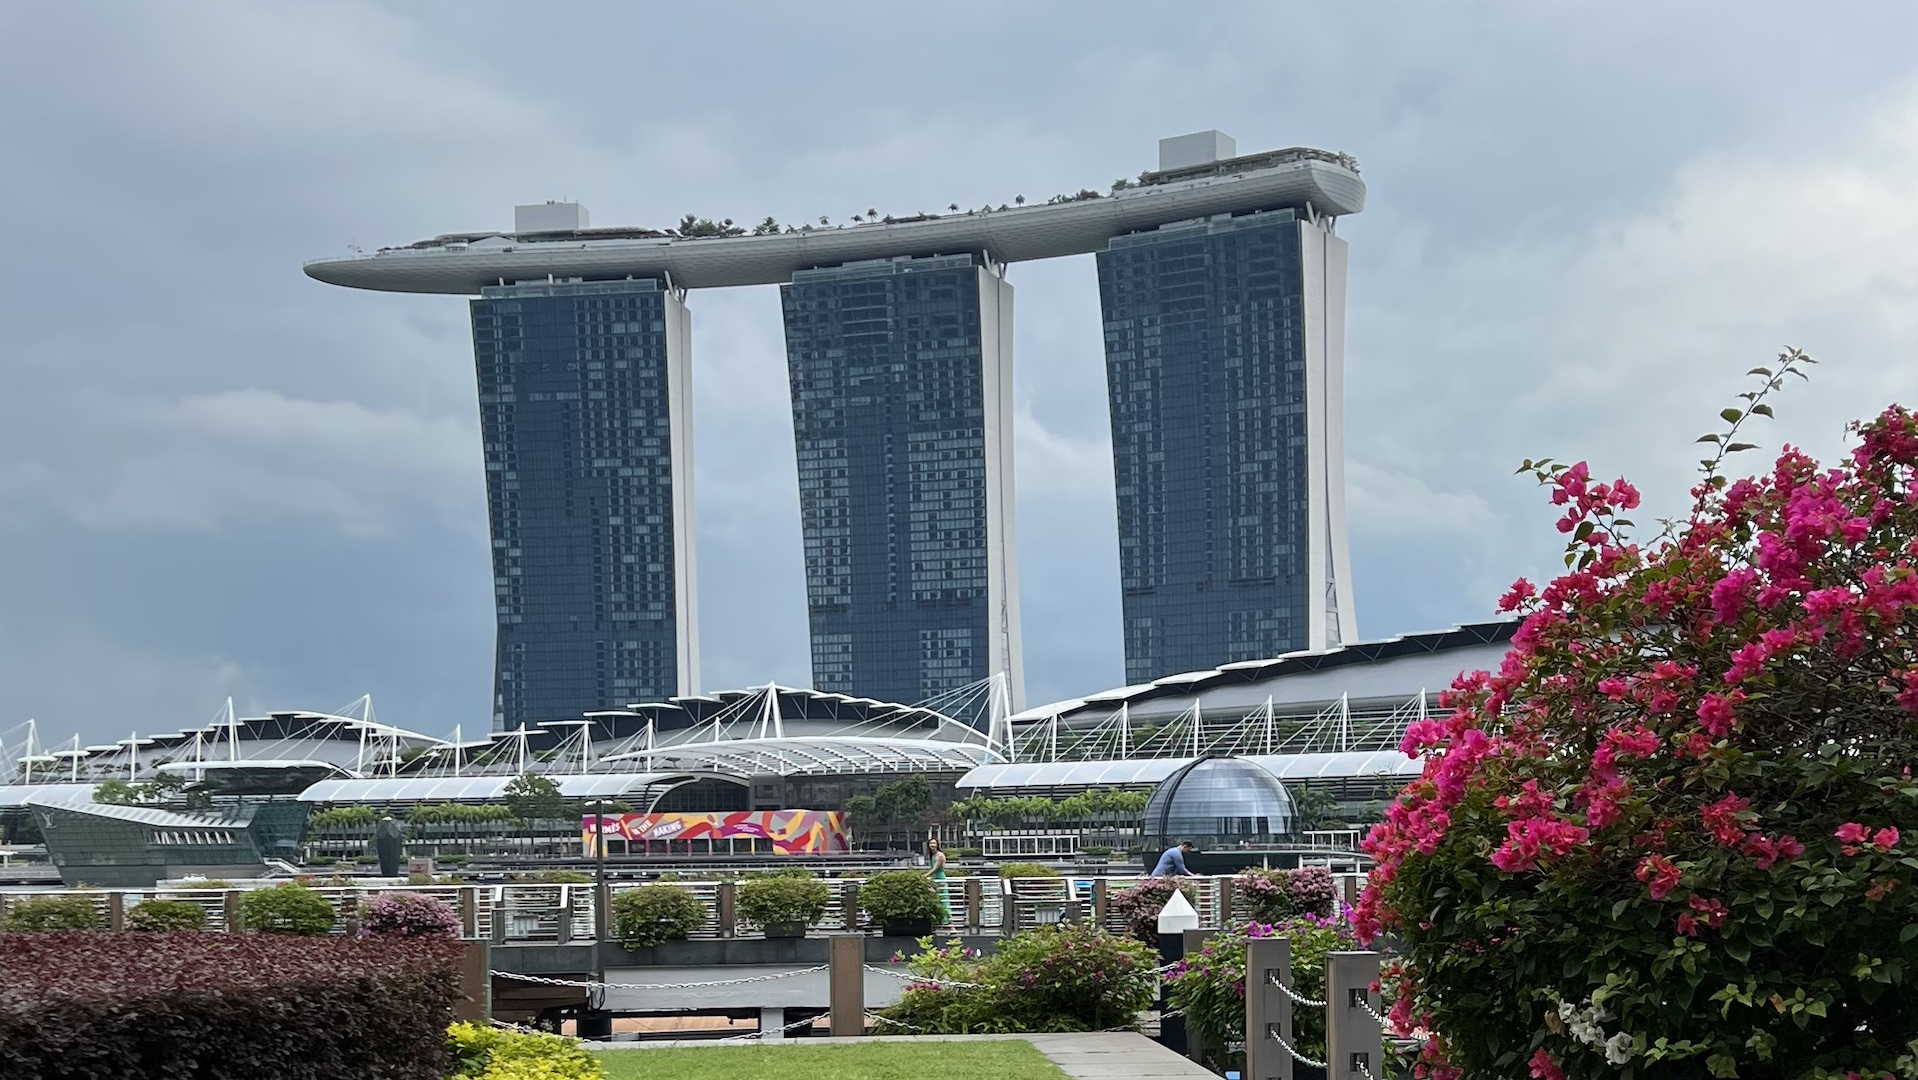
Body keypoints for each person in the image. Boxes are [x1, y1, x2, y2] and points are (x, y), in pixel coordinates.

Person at [926, 838, 950, 923]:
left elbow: (935, 869)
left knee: (944, 901)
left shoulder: (940, 855)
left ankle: (951, 925)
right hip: (935, 879)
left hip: (940, 879)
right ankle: (937, 921)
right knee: (935, 899)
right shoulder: (933, 855)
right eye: (930, 843)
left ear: (937, 845)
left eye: (934, 843)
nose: (932, 845)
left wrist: (924, 876)